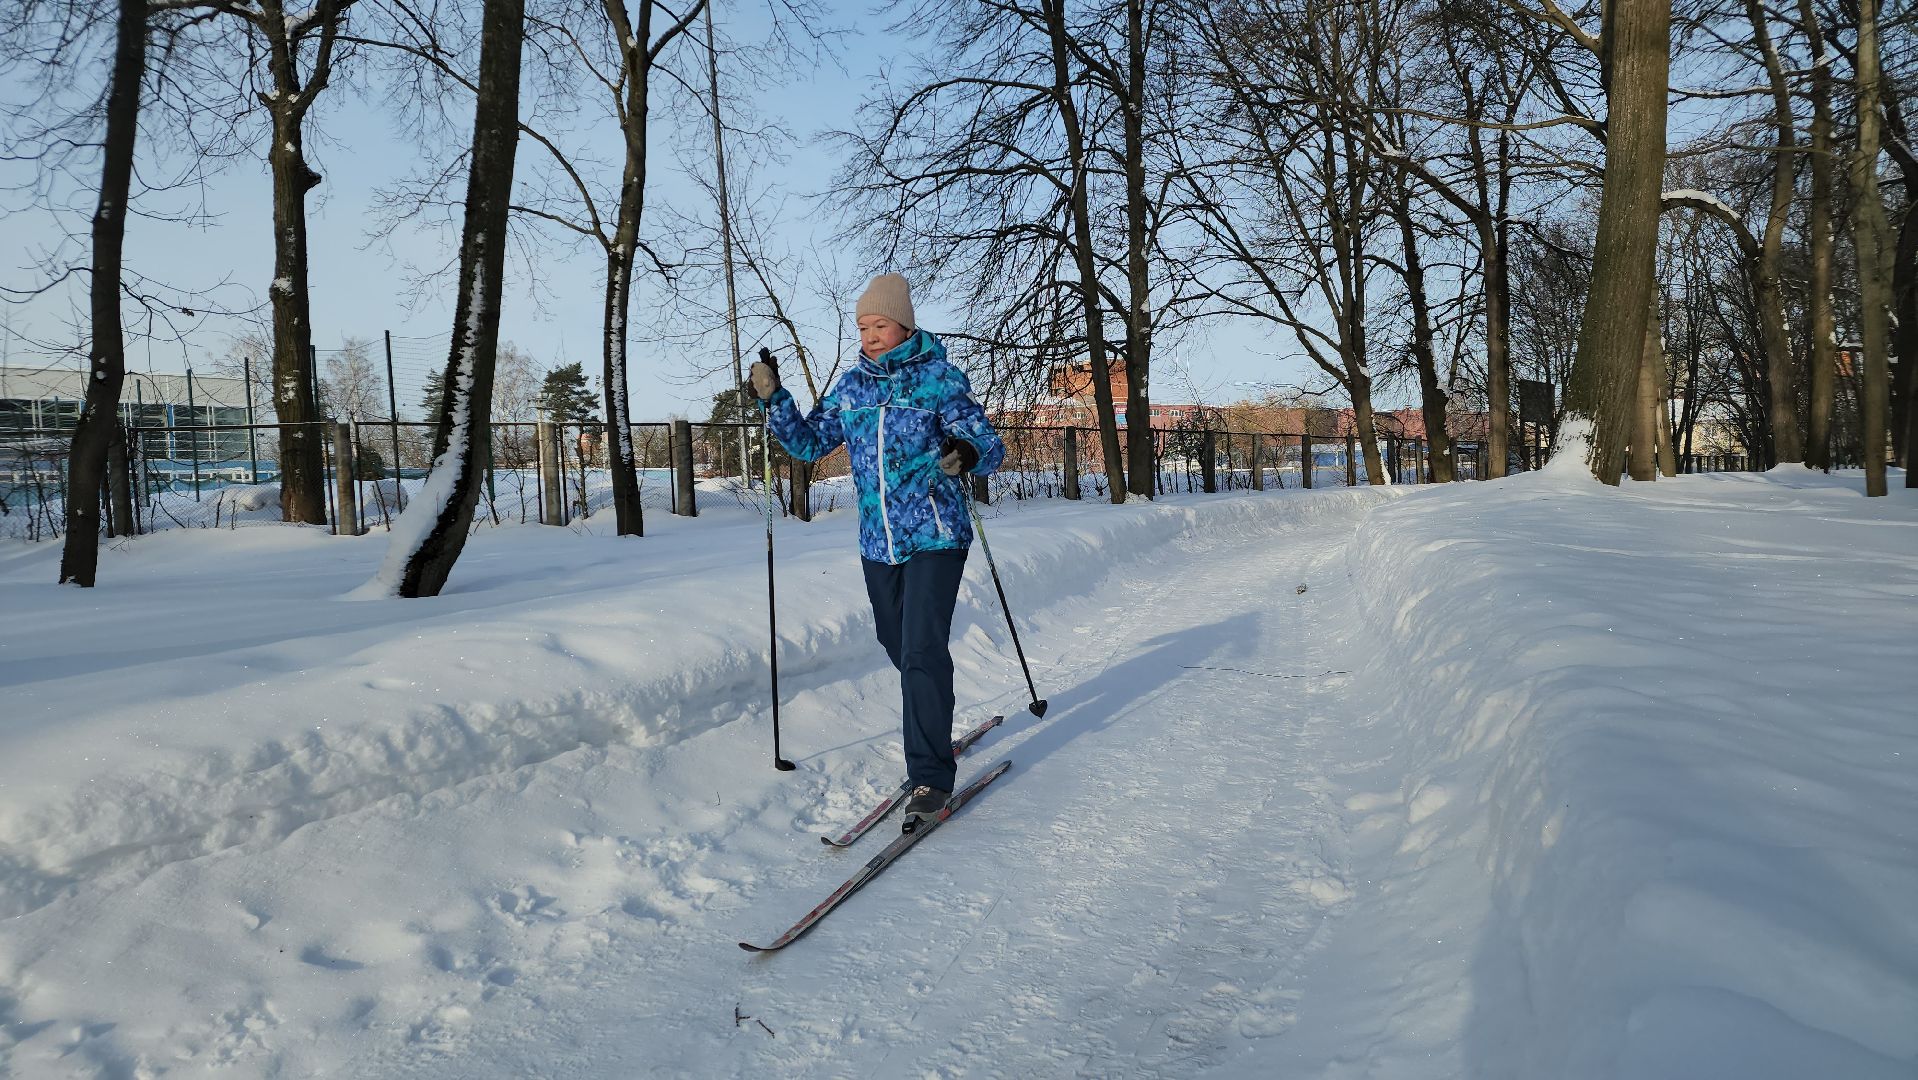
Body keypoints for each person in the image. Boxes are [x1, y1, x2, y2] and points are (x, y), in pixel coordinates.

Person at [744, 273, 1005, 829]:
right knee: (899, 642)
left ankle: (931, 776)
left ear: (903, 323)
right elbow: (810, 443)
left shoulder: (938, 379)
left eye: (879, 324)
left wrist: (965, 451)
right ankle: (932, 717)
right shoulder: (853, 386)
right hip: (877, 540)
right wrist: (776, 399)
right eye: (863, 327)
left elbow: (988, 443)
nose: (870, 335)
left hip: (936, 533)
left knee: (919, 649)